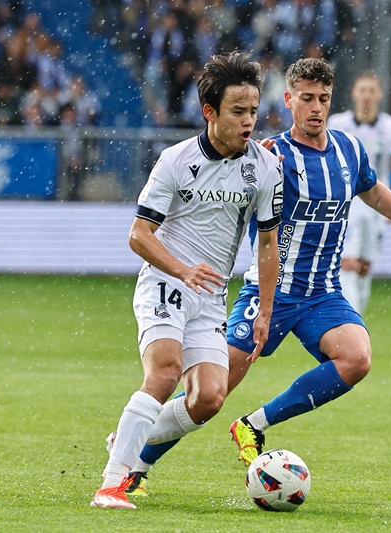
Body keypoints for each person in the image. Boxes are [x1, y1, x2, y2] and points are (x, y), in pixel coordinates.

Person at [124, 57, 391, 497]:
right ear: (288, 101)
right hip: (270, 291)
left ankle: (254, 424)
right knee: (208, 395)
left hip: (322, 294)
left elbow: (374, 191)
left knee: (357, 358)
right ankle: (137, 459)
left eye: (323, 99)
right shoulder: (268, 157)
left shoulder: (349, 150)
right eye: (306, 99)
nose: (316, 108)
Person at [91, 51, 283, 510]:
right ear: (210, 112)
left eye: (254, 111)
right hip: (164, 283)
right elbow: (139, 235)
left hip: (211, 299)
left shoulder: (265, 168)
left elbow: (269, 244)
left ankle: (127, 437)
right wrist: (181, 269)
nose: (249, 121)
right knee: (165, 371)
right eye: (238, 112)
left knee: (209, 399)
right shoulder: (176, 161)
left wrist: (266, 311)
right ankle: (113, 483)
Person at [327, 71, 391, 315]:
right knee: (347, 262)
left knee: (363, 265)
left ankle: (357, 319)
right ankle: (349, 323)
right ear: (354, 93)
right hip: (348, 200)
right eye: (362, 90)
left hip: (376, 200)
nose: (366, 96)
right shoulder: (338, 124)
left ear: (380, 95)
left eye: (371, 91)